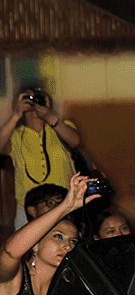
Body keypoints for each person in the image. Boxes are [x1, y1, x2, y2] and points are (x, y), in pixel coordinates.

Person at [2, 87, 83, 231]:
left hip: (64, 202)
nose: (34, 105)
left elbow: (75, 141)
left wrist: (50, 116)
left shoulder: (61, 127)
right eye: (29, 100)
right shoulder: (15, 136)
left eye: (39, 99)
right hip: (29, 208)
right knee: (26, 250)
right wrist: (16, 114)